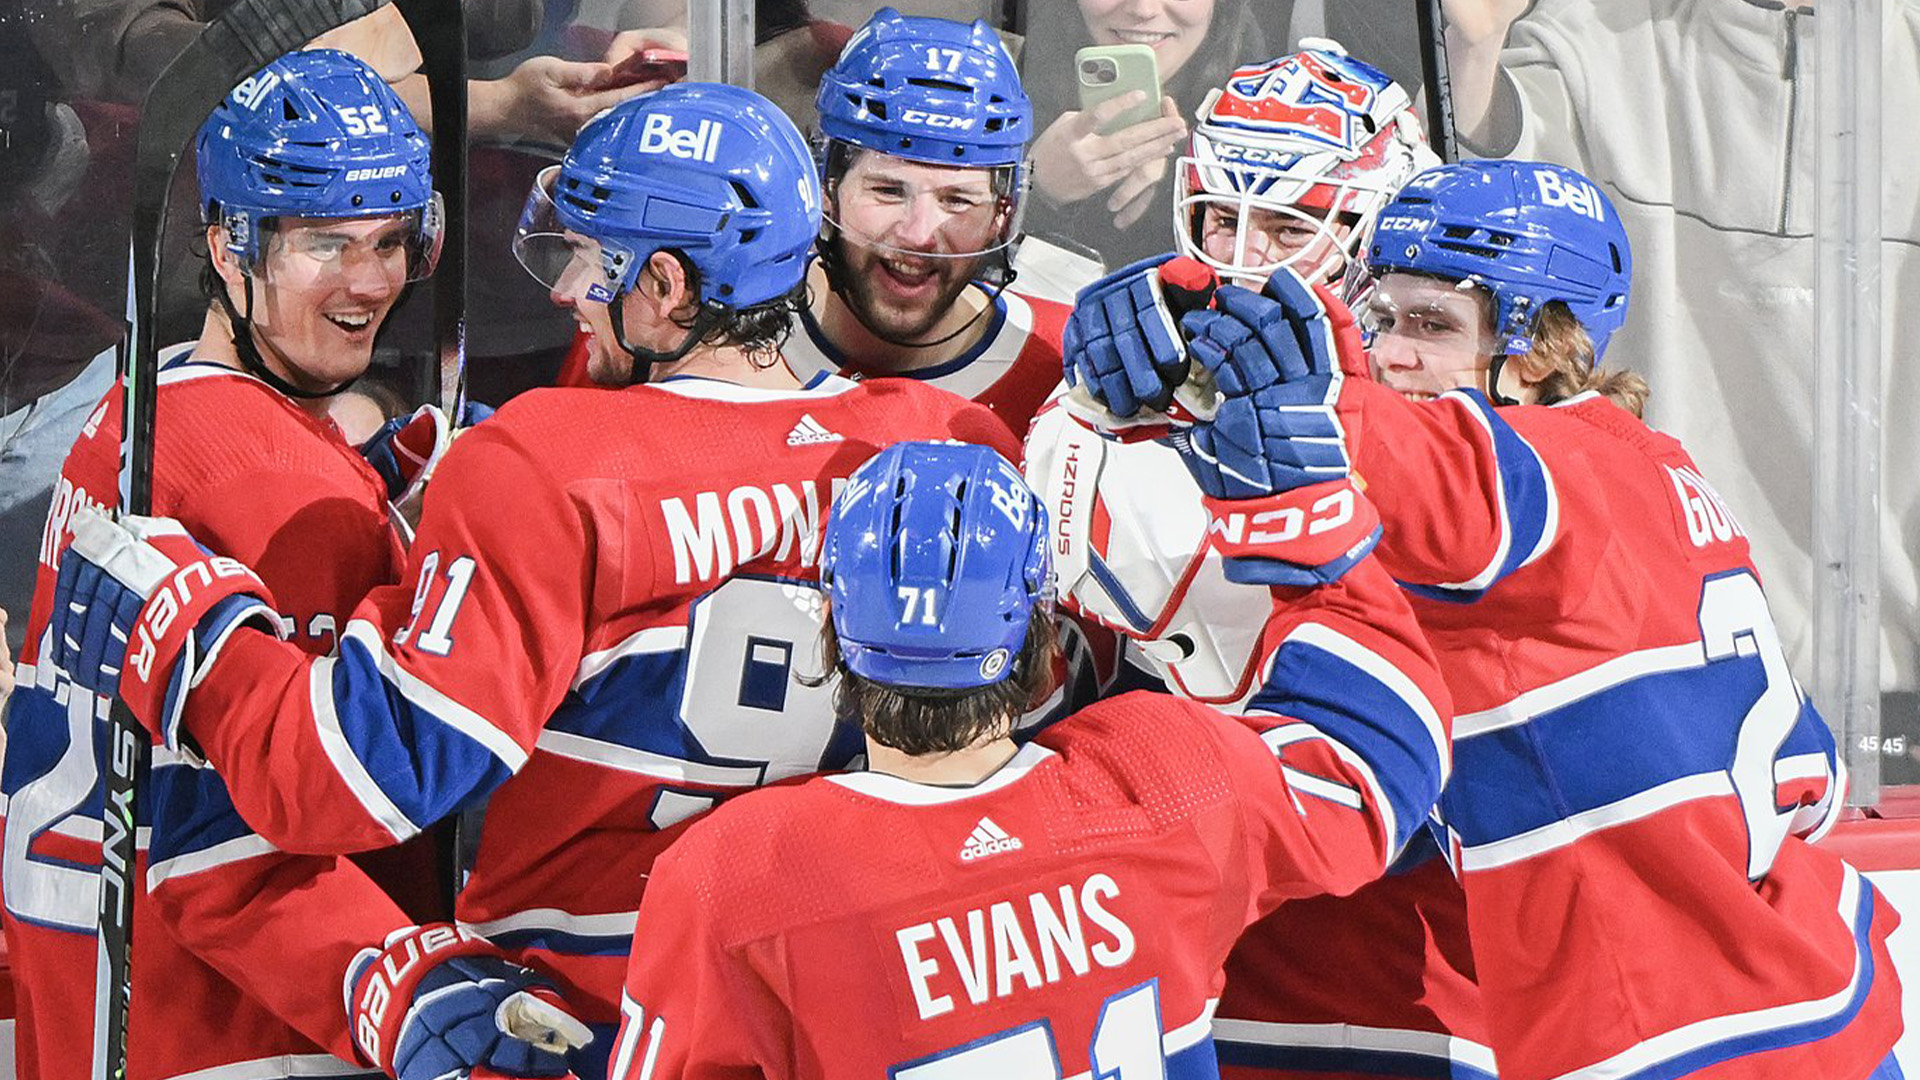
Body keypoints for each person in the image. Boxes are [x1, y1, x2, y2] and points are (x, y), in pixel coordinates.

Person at [43, 82, 1023, 1080]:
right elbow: (1019, 716)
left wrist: (197, 640)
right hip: (838, 1011)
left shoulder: (540, 462)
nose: (564, 291)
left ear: (669, 288)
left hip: (590, 1020)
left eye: (593, 260)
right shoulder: (942, 442)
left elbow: (348, 781)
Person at [1059, 159, 1903, 1079]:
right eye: (1382, 319)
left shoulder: (1543, 478)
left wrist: (1254, 375)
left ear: (1540, 348)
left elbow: (1422, 463)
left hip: (1680, 1036)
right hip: (1819, 988)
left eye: (1433, 325)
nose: (1393, 353)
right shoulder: (1651, 469)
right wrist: (1208, 315)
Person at [0, 48, 564, 1080]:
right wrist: (383, 984)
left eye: (394, 239)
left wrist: (372, 489)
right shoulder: (263, 481)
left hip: (88, 989)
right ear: (227, 246)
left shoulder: (139, 411)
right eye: (323, 243)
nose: (369, 281)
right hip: (232, 1031)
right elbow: (250, 826)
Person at [603, 426, 1451, 1071]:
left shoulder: (737, 876)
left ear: (829, 628)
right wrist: (1304, 522)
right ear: (1046, 635)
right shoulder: (1168, 776)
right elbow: (1383, 755)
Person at [1028, 43, 1485, 1079]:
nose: (1237, 259)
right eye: (1215, 220)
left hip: (1428, 950)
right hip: (1205, 940)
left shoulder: (1460, 387)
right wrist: (1091, 424)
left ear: (1375, 228)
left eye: (1287, 226)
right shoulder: (1162, 357)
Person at [1438, 0, 1920, 729]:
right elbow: (1482, 194)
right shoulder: (1597, 36)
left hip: (1895, 698)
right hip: (1656, 673)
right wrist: (1472, 52)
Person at [790, 7, 1068, 438]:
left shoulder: (1065, 365)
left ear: (1003, 211)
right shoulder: (729, 342)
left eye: (957, 200)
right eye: (887, 190)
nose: (917, 235)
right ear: (828, 187)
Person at [1019, 0, 1268, 268]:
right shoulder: (1027, 69)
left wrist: (1185, 185)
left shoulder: (1270, 107)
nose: (1142, 9)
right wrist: (1034, 185)